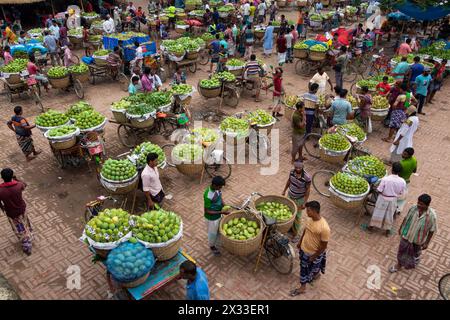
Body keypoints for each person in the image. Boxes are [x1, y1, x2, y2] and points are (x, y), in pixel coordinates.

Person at [290, 201, 330, 296]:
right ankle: (315, 275)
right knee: (307, 267)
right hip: (304, 249)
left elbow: (324, 246)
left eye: (308, 210)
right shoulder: (310, 219)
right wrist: (300, 242)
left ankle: (302, 288)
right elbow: (305, 230)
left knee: (304, 269)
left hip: (312, 253)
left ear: (314, 211)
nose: (306, 212)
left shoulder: (324, 228)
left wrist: (314, 256)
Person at [389, 194, 437, 273]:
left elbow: (432, 230)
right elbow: (406, 218)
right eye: (418, 202)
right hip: (406, 235)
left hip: (418, 240)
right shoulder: (413, 208)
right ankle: (399, 265)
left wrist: (427, 243)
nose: (418, 205)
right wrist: (401, 228)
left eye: (421, 204)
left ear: (427, 205)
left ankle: (416, 258)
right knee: (402, 251)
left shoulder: (432, 216)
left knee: (415, 252)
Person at [366, 162, 406, 236]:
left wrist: (376, 189)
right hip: (393, 200)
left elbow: (379, 190)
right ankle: (387, 231)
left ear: (392, 169)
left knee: (377, 213)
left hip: (382, 198)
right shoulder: (402, 181)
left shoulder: (385, 179)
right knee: (389, 215)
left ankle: (371, 227)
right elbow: (401, 193)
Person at [0, 168, 33, 255]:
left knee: (19, 227)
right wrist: (16, 179)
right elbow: (25, 185)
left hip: (11, 213)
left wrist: (2, 208)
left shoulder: (1, 190)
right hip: (21, 209)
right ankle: (28, 235)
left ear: (2, 177)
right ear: (12, 176)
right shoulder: (18, 185)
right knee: (25, 222)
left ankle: (26, 243)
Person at [283, 160, 311, 238]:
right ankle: (290, 228)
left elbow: (308, 190)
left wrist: (305, 202)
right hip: (290, 195)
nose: (298, 169)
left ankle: (296, 234)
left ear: (302, 167)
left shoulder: (307, 177)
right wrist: (284, 190)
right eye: (296, 167)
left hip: (299, 199)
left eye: (299, 167)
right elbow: (289, 181)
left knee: (297, 217)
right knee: (289, 213)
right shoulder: (292, 172)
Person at [204, 176, 230, 256]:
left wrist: (224, 206)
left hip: (219, 214)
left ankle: (217, 243)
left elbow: (220, 198)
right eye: (220, 187)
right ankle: (212, 246)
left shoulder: (217, 190)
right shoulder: (208, 195)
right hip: (212, 219)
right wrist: (221, 212)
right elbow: (207, 211)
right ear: (214, 185)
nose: (221, 188)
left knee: (219, 231)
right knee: (212, 233)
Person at [396, 147, 417, 216]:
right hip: (407, 181)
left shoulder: (401, 163)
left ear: (409, 155)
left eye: (405, 154)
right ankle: (399, 210)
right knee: (402, 197)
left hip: (399, 182)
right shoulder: (414, 160)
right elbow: (414, 171)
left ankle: (394, 210)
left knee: (396, 196)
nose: (402, 154)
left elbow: (397, 174)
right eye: (403, 152)